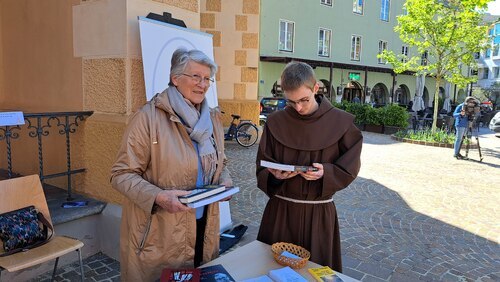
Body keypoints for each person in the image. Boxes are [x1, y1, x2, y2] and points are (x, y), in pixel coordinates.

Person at [110, 48, 232, 281]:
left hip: (204, 227)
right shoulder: (148, 118)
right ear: (175, 78)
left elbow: (220, 161)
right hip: (161, 233)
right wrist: (158, 196)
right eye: (195, 76)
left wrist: (224, 178)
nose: (202, 84)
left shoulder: (213, 118)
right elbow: (121, 174)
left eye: (207, 78)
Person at [255, 62, 363, 272]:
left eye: (304, 100)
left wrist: (327, 173)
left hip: (319, 215)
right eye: (291, 101)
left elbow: (350, 167)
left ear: (316, 88)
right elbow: (261, 166)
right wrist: (275, 175)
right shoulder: (276, 122)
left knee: (315, 273)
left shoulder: (341, 122)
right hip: (280, 213)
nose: (298, 108)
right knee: (273, 271)